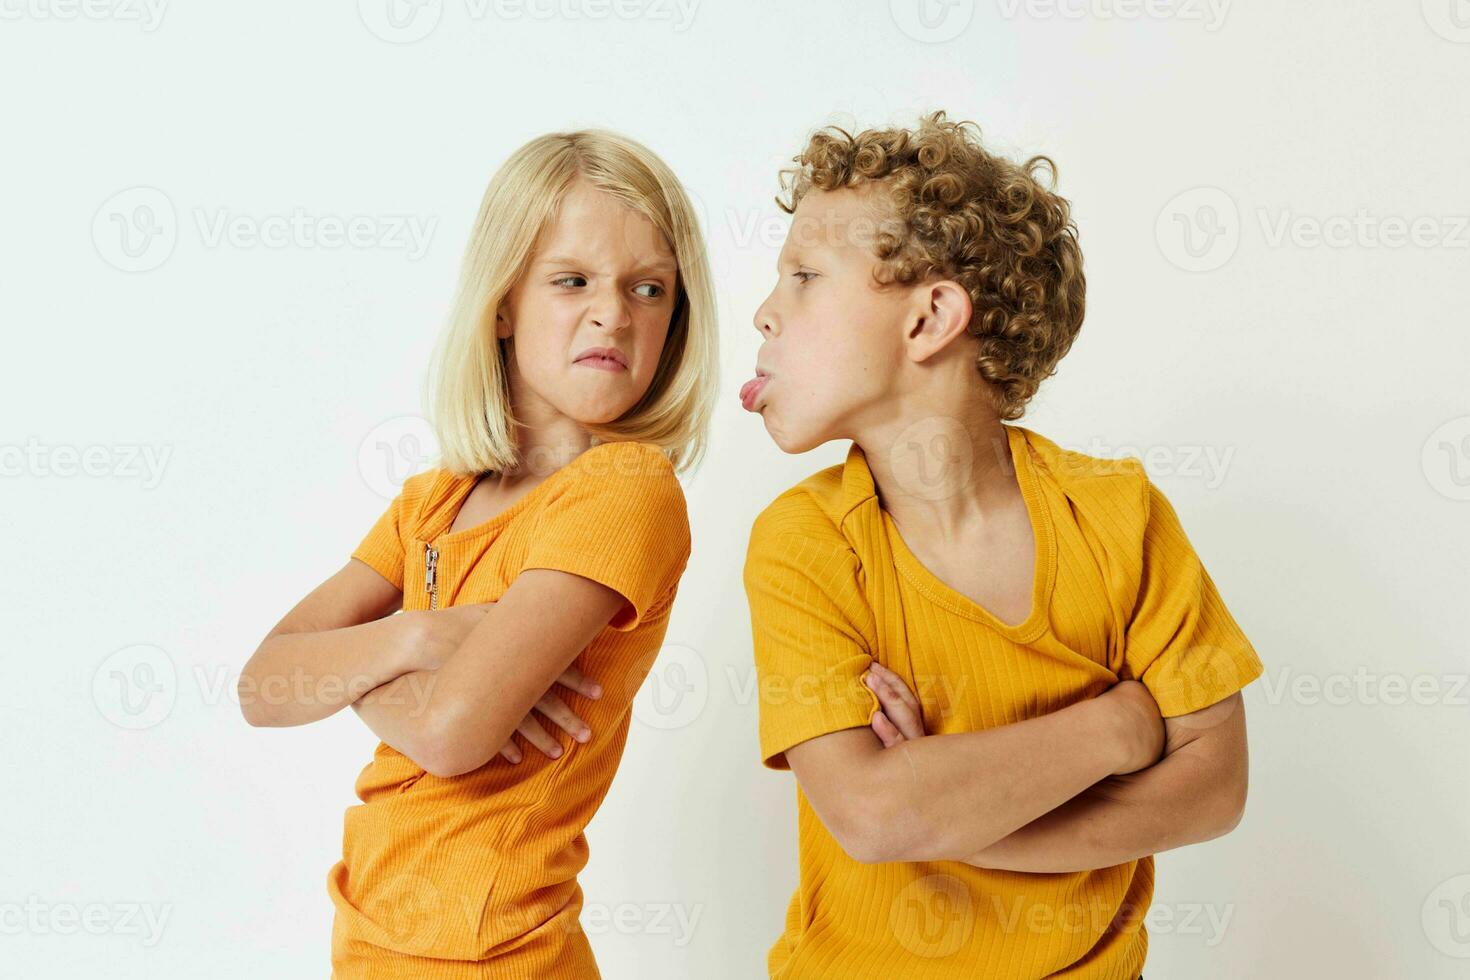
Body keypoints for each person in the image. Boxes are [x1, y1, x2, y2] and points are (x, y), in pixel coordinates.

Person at [740, 110, 1260, 979]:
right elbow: (873, 818)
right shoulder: (804, 543)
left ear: (928, 318)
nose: (764, 312)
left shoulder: (1118, 515)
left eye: (803, 275)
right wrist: (1122, 728)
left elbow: (1215, 788)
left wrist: (950, 806)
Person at [239, 128, 717, 978]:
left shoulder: (624, 490)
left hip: (493, 953)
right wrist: (423, 641)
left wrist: (360, 674)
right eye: (571, 281)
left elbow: (453, 734)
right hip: (371, 934)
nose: (614, 312)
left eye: (649, 289)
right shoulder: (435, 499)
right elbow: (265, 683)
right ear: (501, 303)